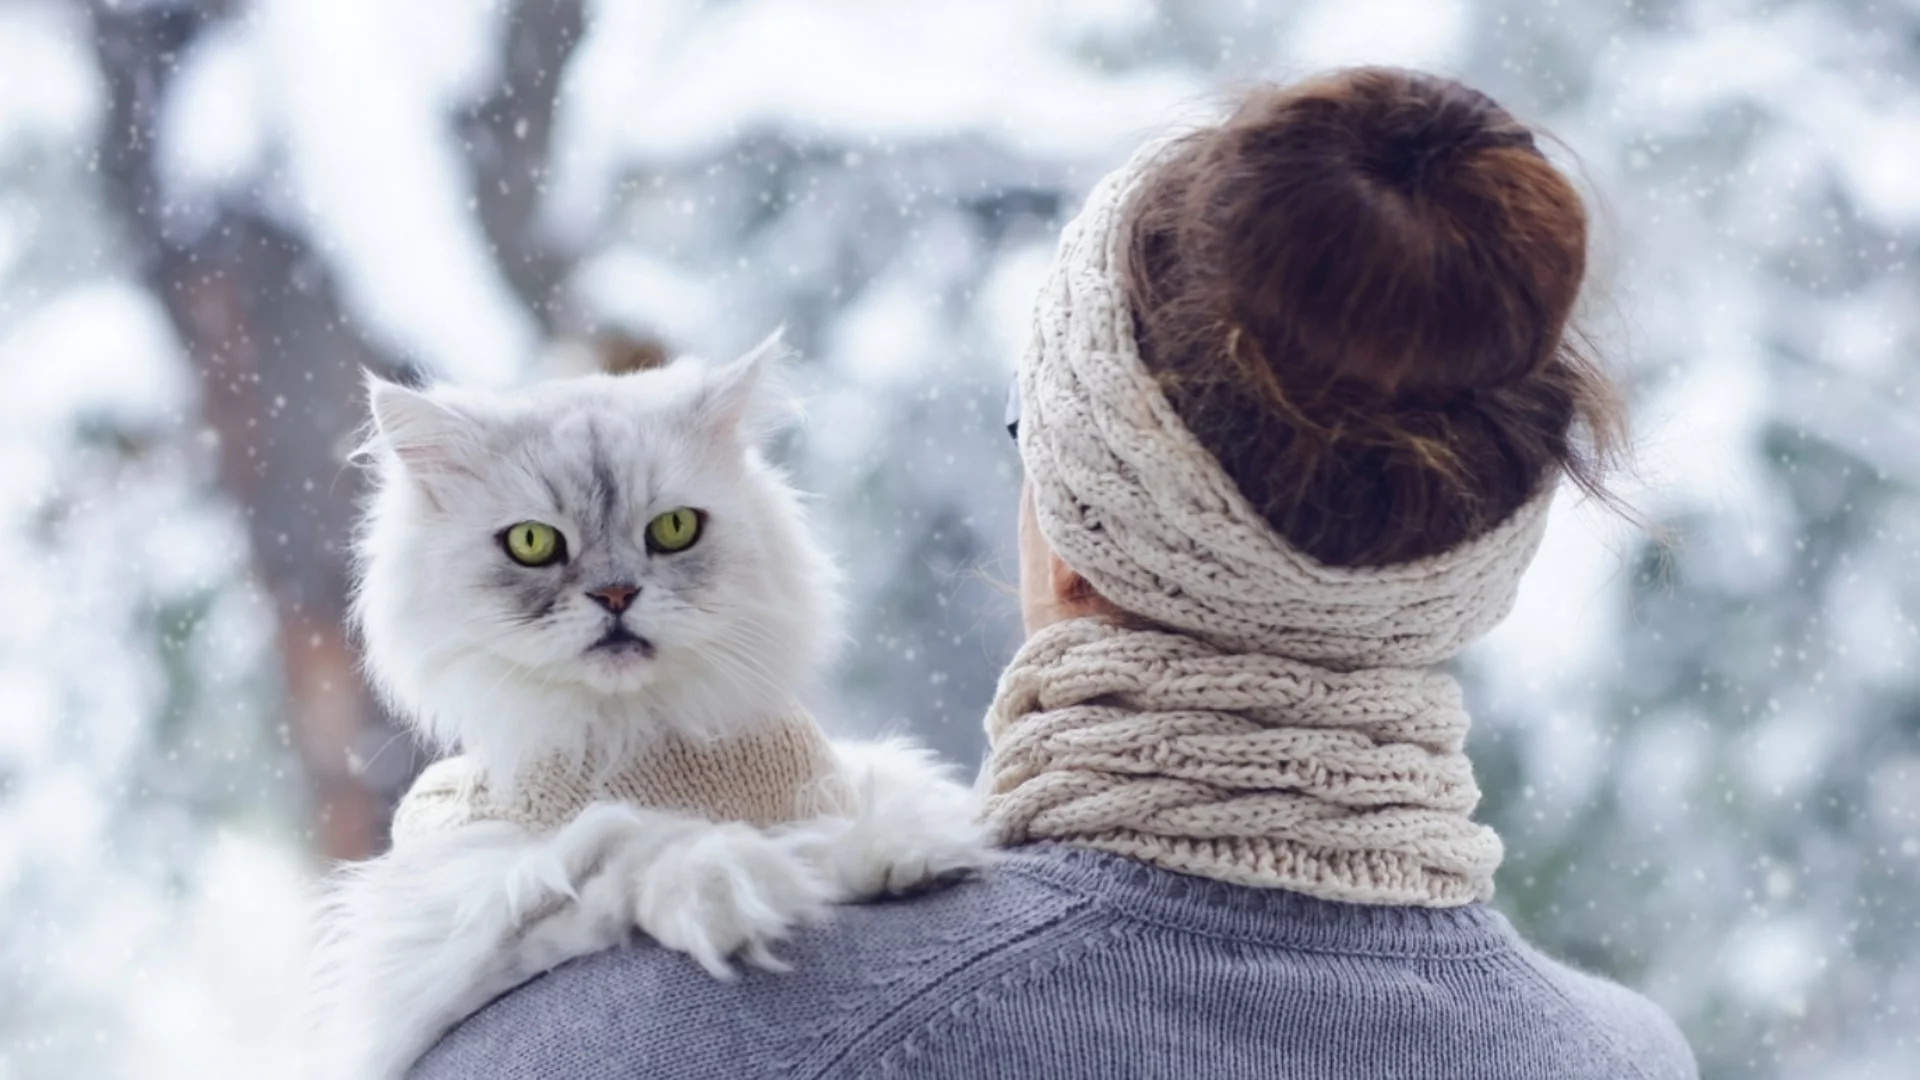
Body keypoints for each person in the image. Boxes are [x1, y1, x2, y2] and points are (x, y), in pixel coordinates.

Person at [411, 67, 1697, 1079]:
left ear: (1081, 541)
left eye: (1037, 439)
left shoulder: (651, 1041)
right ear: (1460, 566)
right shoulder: (1630, 1059)